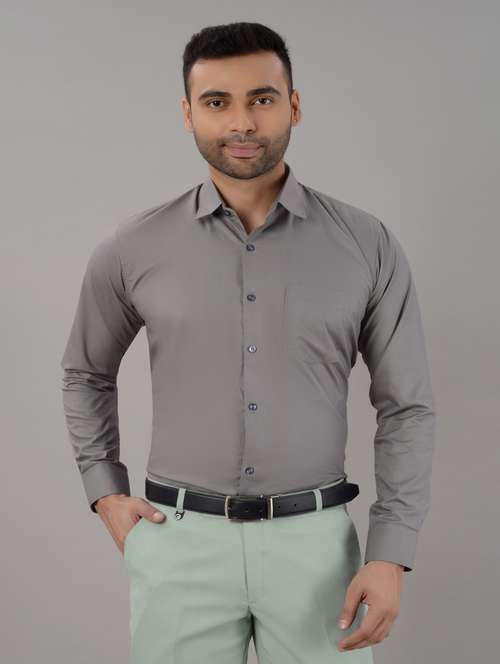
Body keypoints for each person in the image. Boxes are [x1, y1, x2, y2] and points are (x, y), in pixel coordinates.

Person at [60, 21, 436, 664]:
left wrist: (390, 553)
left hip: (318, 552)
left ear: (294, 105)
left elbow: (407, 407)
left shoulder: (366, 244)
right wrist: (105, 492)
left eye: (262, 98)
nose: (241, 122)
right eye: (217, 102)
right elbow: (85, 373)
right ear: (188, 113)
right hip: (178, 546)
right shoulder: (132, 246)